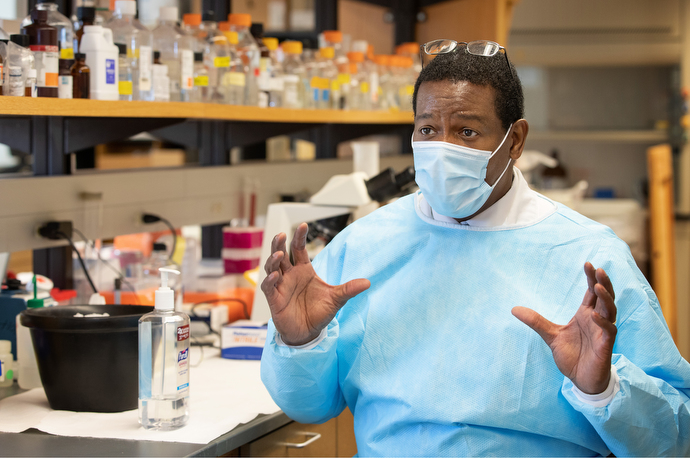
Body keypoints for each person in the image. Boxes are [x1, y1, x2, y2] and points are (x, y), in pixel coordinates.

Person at [259, 39, 690, 456]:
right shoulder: (364, 244)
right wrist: (300, 342)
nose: (442, 149)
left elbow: (674, 440)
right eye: (428, 129)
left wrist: (603, 388)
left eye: (467, 131)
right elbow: (310, 407)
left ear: (515, 141)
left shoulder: (588, 256)